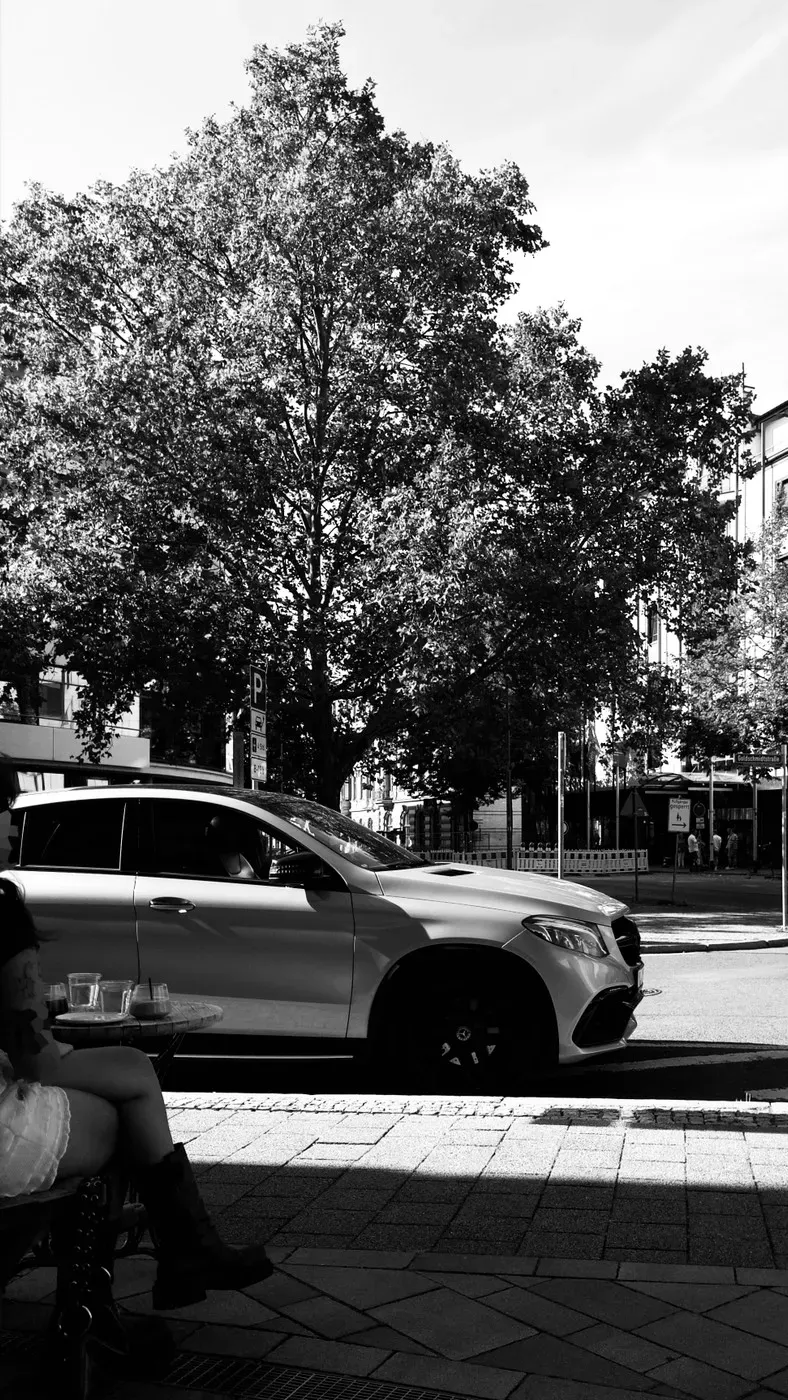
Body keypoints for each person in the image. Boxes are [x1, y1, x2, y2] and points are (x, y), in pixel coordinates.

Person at [0, 877, 272, 1309]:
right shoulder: (0, 918)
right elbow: (39, 1062)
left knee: (129, 1076)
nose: (10, 825)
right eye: (2, 809)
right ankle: (97, 1307)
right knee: (119, 1109)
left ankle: (181, 1259)